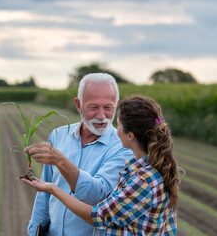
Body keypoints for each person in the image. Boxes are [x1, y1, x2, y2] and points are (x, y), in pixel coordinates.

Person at [23, 95, 180, 235]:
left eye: (117, 125)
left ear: (130, 135)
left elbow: (99, 216)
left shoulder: (144, 178)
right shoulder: (141, 167)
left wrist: (54, 189)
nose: (113, 130)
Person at [25, 73, 134, 236]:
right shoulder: (58, 135)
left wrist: (60, 161)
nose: (101, 116)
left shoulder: (123, 146)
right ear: (79, 105)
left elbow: (99, 194)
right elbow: (44, 192)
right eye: (93, 107)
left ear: (116, 105)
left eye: (108, 107)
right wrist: (34, 230)